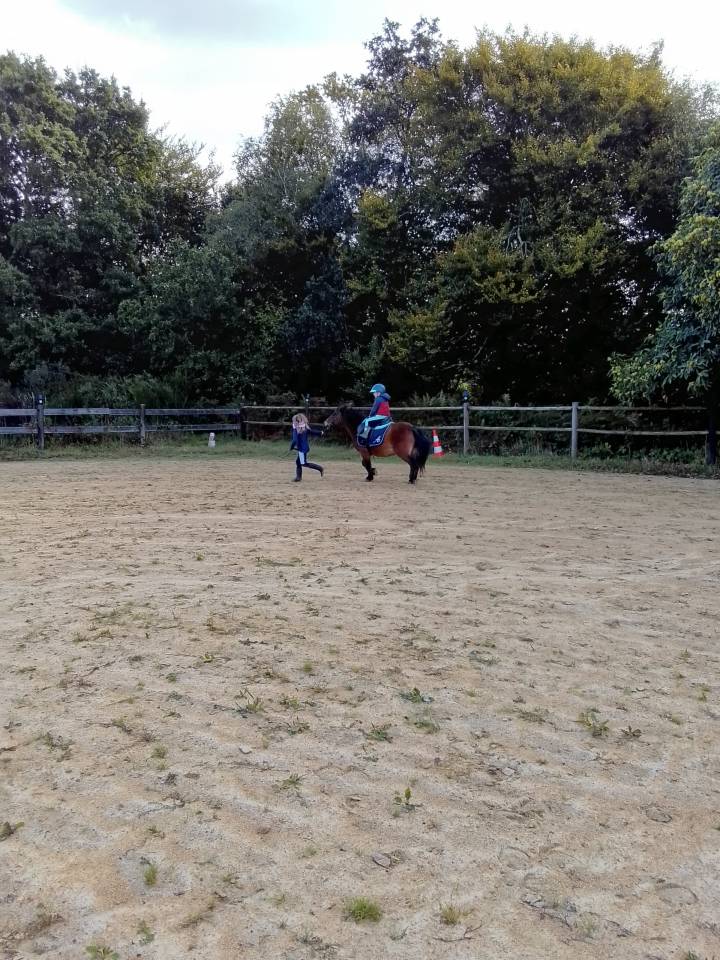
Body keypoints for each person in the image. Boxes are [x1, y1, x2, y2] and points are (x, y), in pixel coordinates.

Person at [290, 413, 324, 482]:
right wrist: (321, 433)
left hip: (301, 449)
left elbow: (294, 440)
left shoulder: (296, 428)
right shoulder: (304, 427)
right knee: (298, 462)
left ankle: (320, 468)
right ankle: (298, 478)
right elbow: (312, 432)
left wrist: (292, 447)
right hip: (304, 448)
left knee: (303, 463)